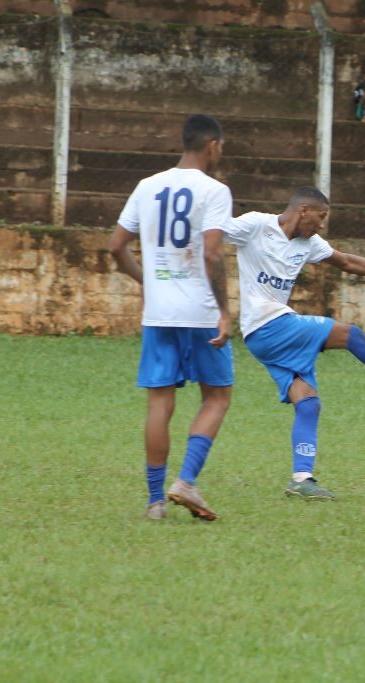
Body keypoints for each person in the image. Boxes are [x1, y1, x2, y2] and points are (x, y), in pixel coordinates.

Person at [205, 186, 365, 499]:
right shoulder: (256, 225)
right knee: (350, 335)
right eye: (321, 217)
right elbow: (213, 234)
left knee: (309, 403)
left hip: (266, 336)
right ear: (303, 211)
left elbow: (347, 262)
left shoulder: (309, 242)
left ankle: (302, 479)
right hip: (267, 325)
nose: (323, 225)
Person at [108, 114, 235, 521]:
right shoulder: (215, 191)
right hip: (199, 312)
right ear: (212, 145)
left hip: (158, 313)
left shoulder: (147, 186)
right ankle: (186, 481)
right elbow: (213, 253)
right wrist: (225, 311)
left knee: (160, 403)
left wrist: (147, 280)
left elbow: (115, 247)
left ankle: (154, 501)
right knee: (217, 395)